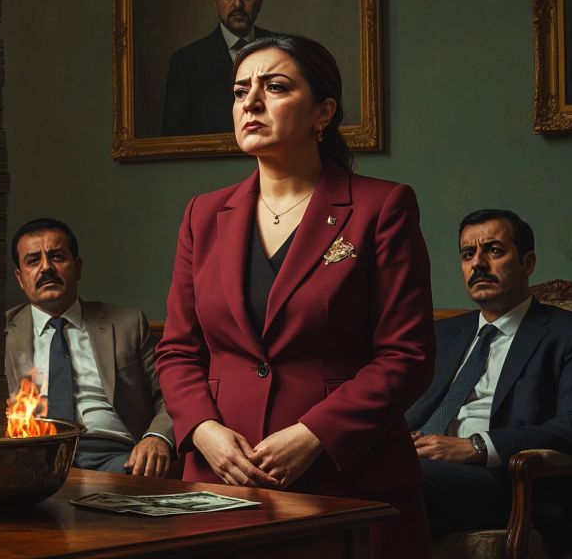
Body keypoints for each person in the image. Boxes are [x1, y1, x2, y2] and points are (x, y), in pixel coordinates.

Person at [156, 35, 435, 559]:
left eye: (275, 87)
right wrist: (203, 429)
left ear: (322, 112)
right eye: (241, 92)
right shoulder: (203, 214)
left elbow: (408, 355)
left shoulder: (382, 207)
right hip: (219, 486)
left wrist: (314, 434)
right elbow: (177, 349)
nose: (251, 103)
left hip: (346, 483)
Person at [406, 210, 572, 552]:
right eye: (468, 254)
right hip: (420, 461)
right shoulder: (443, 333)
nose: (478, 264)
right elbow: (404, 405)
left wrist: (477, 447)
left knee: (396, 484)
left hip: (508, 482)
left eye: (494, 251)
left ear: (527, 262)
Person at [5, 218, 175, 477]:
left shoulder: (127, 324)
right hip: (32, 457)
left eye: (57, 257)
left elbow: (171, 394)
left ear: (78, 267)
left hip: (117, 457)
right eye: (32, 261)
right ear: (20, 278)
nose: (46, 268)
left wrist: (157, 437)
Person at [160, 0, 274, 136]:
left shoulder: (283, 50)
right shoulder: (186, 62)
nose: (237, 4)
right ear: (216, 3)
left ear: (259, 2)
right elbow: (173, 138)